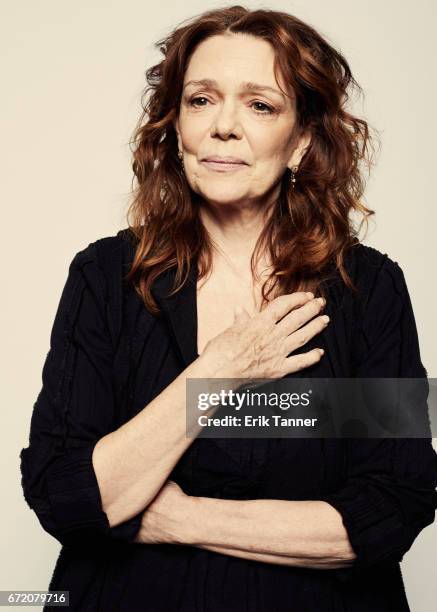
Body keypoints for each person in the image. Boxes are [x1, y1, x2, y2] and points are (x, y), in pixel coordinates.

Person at [20, 6, 437, 612]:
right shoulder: (107, 277)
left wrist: (185, 519)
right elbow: (65, 492)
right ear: (176, 127)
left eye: (260, 105)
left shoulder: (365, 291)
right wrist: (215, 378)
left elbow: (391, 508)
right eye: (201, 100)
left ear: (300, 141)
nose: (224, 127)